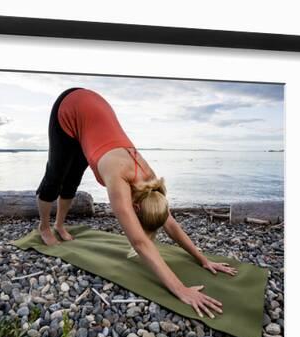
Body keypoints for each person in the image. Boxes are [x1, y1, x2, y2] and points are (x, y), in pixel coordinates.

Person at [35, 87, 237, 319]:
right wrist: (181, 290)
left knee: (73, 179)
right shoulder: (118, 178)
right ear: (136, 208)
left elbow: (170, 224)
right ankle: (45, 227)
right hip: (69, 106)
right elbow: (140, 243)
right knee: (55, 176)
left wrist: (202, 259)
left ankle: (60, 225)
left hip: (93, 111)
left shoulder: (152, 186)